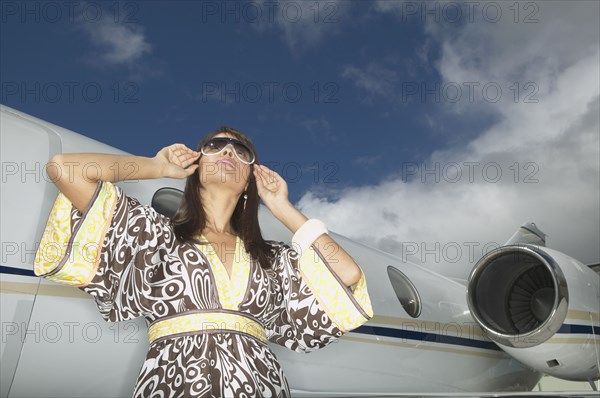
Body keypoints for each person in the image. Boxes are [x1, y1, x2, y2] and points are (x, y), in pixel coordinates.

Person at [34, 126, 374, 397]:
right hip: (172, 383)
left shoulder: (273, 258)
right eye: (216, 146)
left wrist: (282, 207)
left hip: (263, 384)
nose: (228, 151)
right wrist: (158, 167)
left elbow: (347, 273)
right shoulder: (152, 234)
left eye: (242, 152)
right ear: (196, 168)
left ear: (248, 182)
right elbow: (64, 168)